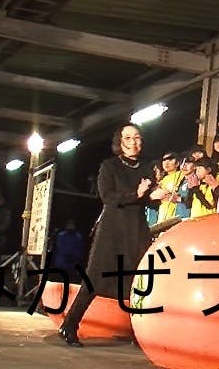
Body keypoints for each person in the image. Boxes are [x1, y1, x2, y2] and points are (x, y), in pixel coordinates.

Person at [60, 123, 154, 347]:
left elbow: (146, 199)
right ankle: (70, 325)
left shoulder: (147, 168)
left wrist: (156, 196)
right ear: (119, 142)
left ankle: (138, 333)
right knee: (93, 280)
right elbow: (107, 197)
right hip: (112, 231)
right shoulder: (109, 166)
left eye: (137, 137)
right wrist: (136, 193)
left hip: (137, 230)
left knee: (139, 282)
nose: (133, 142)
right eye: (128, 138)